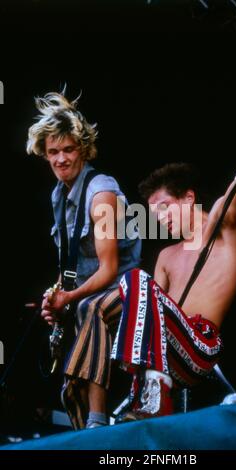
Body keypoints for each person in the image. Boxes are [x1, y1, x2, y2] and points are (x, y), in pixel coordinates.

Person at [110, 97, 236, 421]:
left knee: (136, 281)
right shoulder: (166, 255)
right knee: (131, 284)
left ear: (189, 197)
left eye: (164, 207)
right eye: (154, 214)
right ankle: (146, 392)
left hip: (201, 347)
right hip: (165, 355)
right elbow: (151, 308)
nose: (160, 218)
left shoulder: (220, 228)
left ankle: (147, 388)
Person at [26, 92, 141, 429]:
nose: (60, 159)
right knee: (69, 385)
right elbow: (72, 265)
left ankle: (97, 420)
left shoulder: (101, 190)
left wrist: (71, 298)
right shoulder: (58, 195)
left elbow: (108, 270)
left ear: (84, 149)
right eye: (53, 152)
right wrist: (56, 297)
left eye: (68, 149)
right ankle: (84, 429)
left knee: (88, 308)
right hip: (89, 296)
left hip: (127, 290)